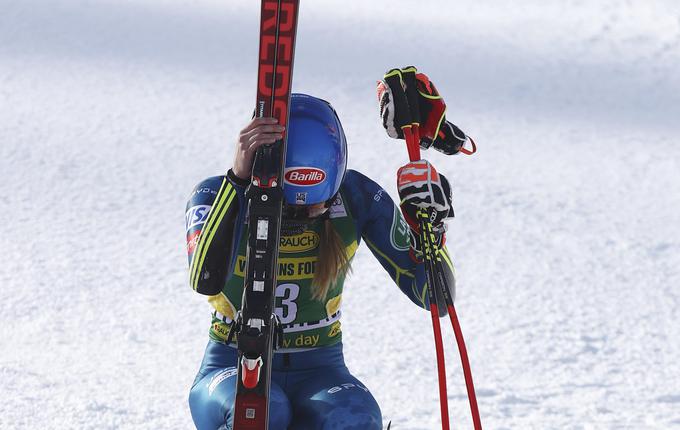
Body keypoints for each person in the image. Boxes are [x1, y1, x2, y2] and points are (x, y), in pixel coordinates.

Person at [185, 90, 467, 429]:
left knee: (357, 417)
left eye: (316, 207)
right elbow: (204, 279)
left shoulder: (355, 196)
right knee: (263, 410)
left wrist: (431, 230)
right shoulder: (215, 193)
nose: (303, 216)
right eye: (289, 208)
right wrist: (237, 182)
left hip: (321, 369)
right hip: (232, 363)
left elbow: (436, 298)